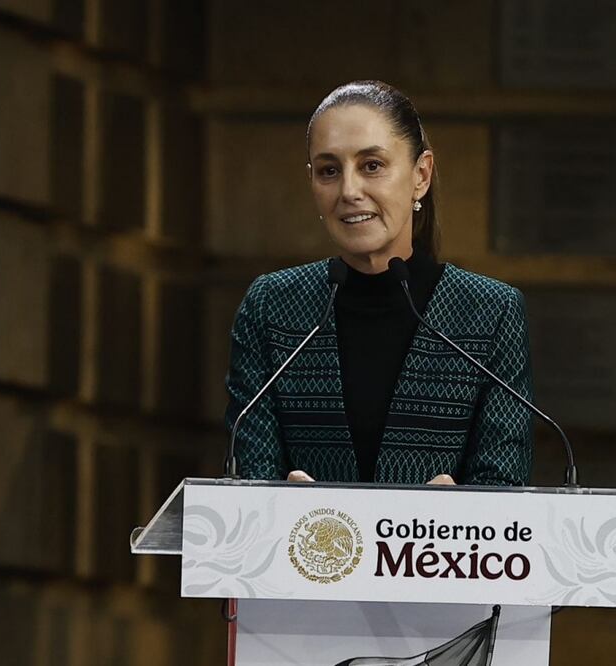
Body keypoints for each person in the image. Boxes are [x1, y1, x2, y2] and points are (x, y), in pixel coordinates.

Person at [225, 80, 533, 487]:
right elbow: (249, 477)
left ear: (420, 175)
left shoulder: (490, 311)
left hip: (433, 552)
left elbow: (504, 485)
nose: (349, 191)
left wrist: (463, 514)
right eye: (329, 171)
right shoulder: (271, 306)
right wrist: (276, 503)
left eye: (372, 165)